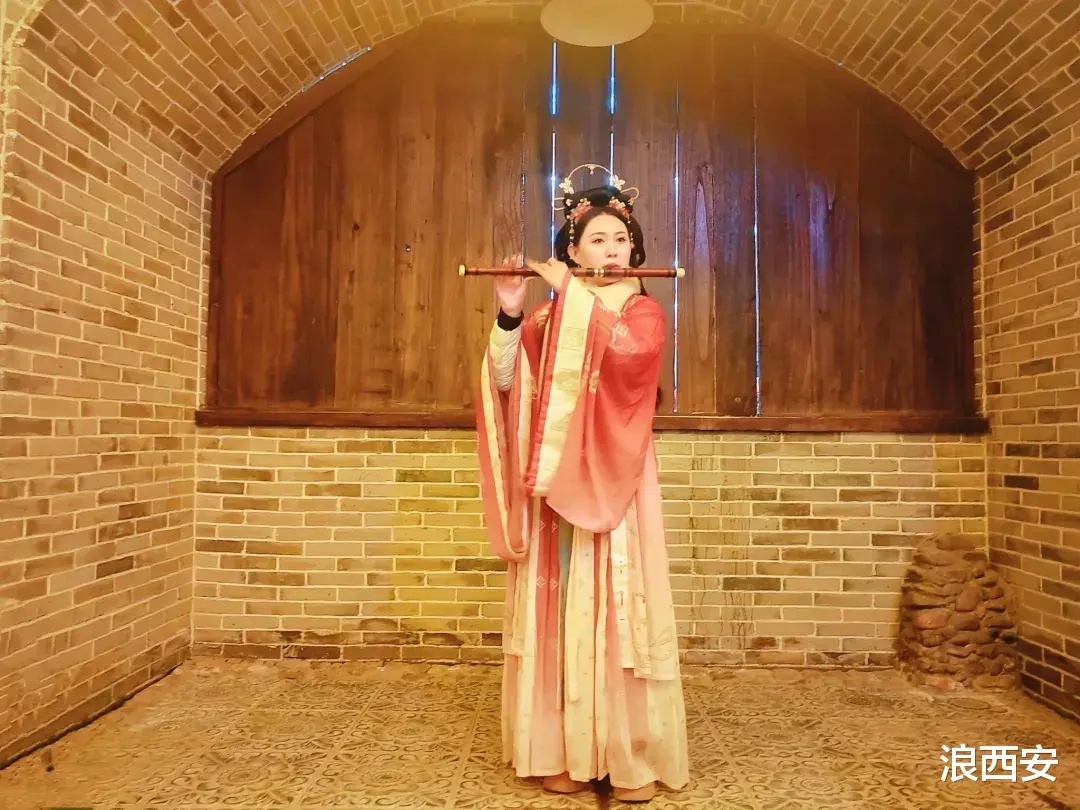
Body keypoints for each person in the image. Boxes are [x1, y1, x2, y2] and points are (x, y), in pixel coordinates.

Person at [475, 171, 689, 803]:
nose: (613, 250)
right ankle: (562, 750)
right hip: (556, 481)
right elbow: (508, 381)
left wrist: (570, 291)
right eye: (597, 240)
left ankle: (628, 757)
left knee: (618, 608)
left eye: (621, 240)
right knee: (561, 608)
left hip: (619, 478)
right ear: (571, 250)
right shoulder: (547, 316)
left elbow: (628, 357)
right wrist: (511, 310)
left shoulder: (642, 313)